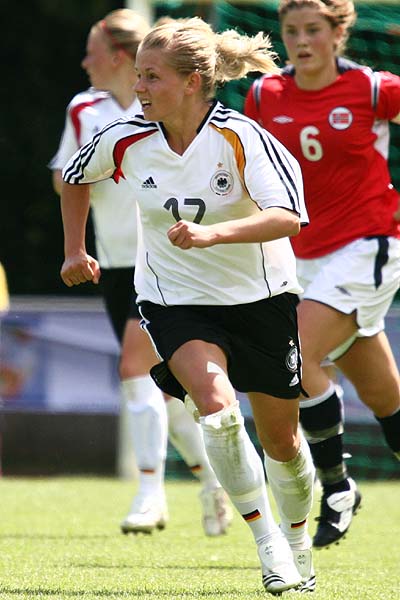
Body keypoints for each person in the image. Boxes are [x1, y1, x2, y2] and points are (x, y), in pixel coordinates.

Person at [59, 17, 316, 595]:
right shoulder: (125, 137)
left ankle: (298, 537)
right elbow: (74, 177)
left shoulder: (243, 138)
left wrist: (213, 235)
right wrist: (75, 249)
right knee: (217, 410)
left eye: (152, 77)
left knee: (282, 443)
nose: (139, 87)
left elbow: (288, 217)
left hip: (261, 298)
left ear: (194, 81)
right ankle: (268, 541)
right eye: (138, 75)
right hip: (173, 299)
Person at [50, 8, 232, 537]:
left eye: (91, 52)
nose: (84, 62)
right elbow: (66, 178)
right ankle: (215, 480)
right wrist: (95, 168)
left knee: (134, 367)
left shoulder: (170, 103)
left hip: (168, 259)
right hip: (112, 261)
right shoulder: (84, 109)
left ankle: (149, 491)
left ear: (117, 57)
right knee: (163, 395)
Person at [245, 0, 400, 549]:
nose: (302, 40)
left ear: (338, 34)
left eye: (313, 29)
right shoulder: (265, 94)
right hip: (298, 257)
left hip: (367, 245)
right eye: (291, 31)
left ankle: (336, 488)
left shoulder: (373, 88)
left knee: (295, 352)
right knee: (385, 399)